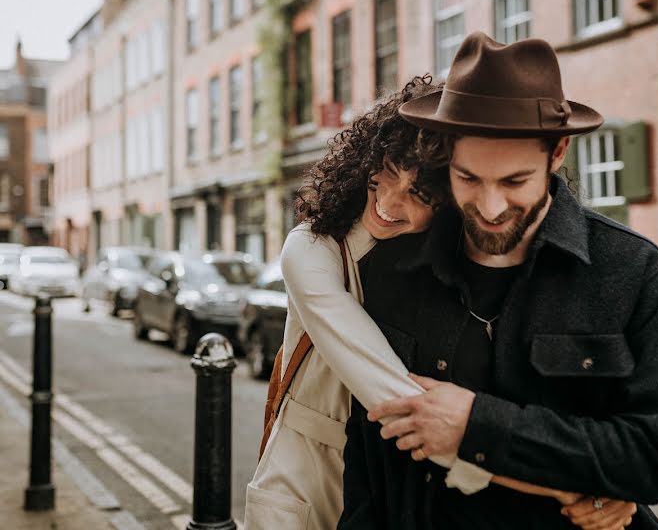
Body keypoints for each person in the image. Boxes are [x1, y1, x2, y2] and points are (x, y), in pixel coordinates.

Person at [244, 75, 635, 529]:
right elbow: (396, 396)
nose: (388, 202)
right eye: (387, 172)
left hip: (399, 489)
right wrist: (565, 483)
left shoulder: (446, 265)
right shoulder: (311, 249)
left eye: (419, 193)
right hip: (310, 477)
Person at [339, 33, 658, 530]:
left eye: (514, 182)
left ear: (558, 152)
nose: (491, 206)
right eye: (469, 179)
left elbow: (650, 461)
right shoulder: (390, 270)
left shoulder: (634, 272)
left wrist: (475, 428)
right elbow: (367, 457)